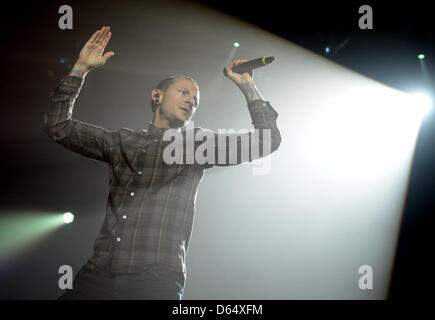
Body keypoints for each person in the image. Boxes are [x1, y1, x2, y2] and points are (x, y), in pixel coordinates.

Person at [45, 26, 281, 300]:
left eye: (196, 99)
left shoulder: (197, 144)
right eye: (184, 92)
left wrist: (247, 84)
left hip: (155, 280)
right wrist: (80, 68)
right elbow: (57, 126)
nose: (192, 100)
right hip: (98, 273)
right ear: (157, 96)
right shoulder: (121, 141)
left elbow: (267, 140)